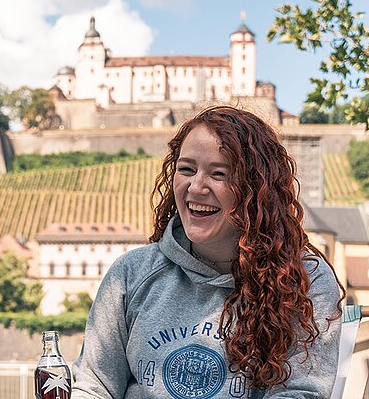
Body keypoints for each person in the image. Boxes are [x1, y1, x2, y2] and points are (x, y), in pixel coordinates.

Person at [72, 106, 344, 398]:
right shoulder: (130, 274)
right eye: (186, 169)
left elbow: (301, 393)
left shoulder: (304, 280)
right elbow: (94, 385)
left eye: (219, 173)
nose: (196, 187)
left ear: (256, 189)